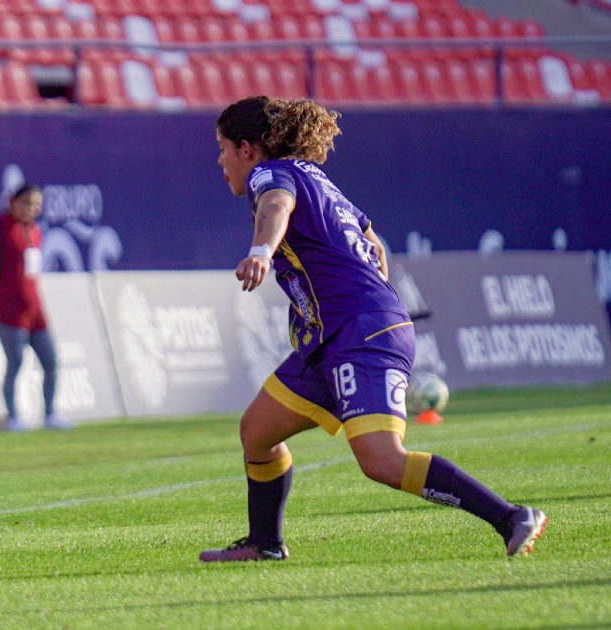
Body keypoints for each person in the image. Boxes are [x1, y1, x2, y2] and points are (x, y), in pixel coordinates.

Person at [200, 95, 546, 562]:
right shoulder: (318, 179)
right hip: (335, 338)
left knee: (382, 461)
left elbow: (276, 208)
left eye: (222, 148)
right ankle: (265, 544)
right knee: (257, 431)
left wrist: (262, 252)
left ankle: (511, 517)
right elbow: (374, 245)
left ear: (247, 148)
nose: (220, 161)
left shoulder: (271, 174)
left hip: (358, 335)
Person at [0, 183, 71, 432]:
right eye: (25, 203)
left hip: (35, 309)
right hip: (8, 310)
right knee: (16, 362)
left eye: (35, 205)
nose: (29, 209)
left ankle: (50, 414)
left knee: (51, 360)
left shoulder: (34, 231)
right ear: (12, 202)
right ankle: (13, 417)